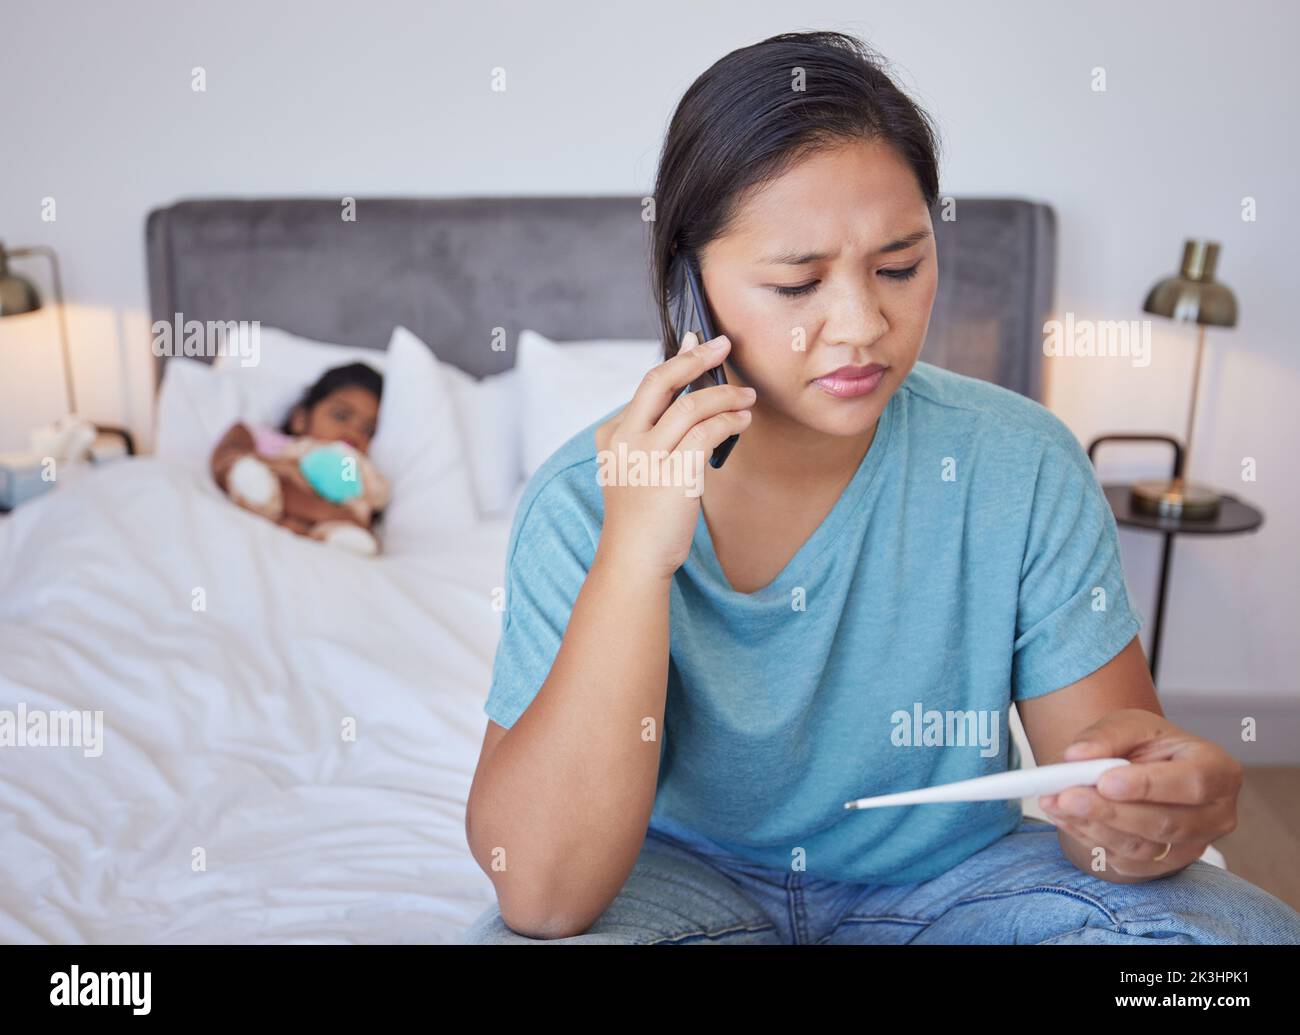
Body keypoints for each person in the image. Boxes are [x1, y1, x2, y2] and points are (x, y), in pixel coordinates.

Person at [461, 30, 1300, 944]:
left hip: (959, 883)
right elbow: (542, 896)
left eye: (900, 266)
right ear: (688, 288)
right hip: (673, 888)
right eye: (797, 283)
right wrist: (632, 556)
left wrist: (1153, 821)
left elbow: (1105, 821)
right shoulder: (581, 499)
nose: (863, 325)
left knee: (1226, 948)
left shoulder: (1019, 462)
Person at [210, 362, 389, 554]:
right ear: (300, 419)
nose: (353, 434)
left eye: (368, 431)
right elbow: (229, 459)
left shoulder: (357, 478)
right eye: (340, 416)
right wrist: (325, 511)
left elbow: (360, 522)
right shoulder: (263, 439)